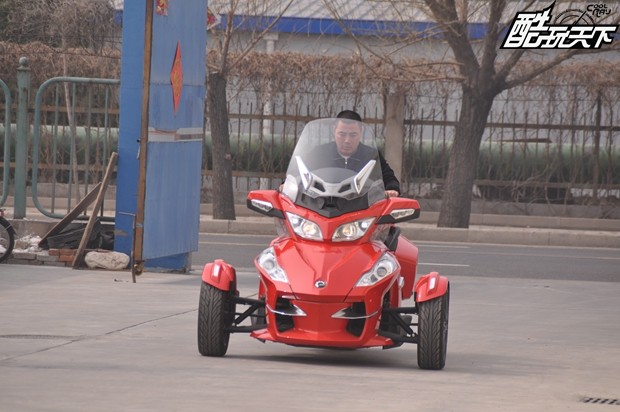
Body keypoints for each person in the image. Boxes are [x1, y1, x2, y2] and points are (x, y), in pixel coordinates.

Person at [330, 110, 401, 198]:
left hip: (362, 204)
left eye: (353, 135)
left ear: (361, 133)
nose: (347, 140)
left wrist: (392, 189)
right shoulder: (321, 153)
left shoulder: (372, 156)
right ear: (334, 131)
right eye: (342, 134)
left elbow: (389, 178)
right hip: (327, 204)